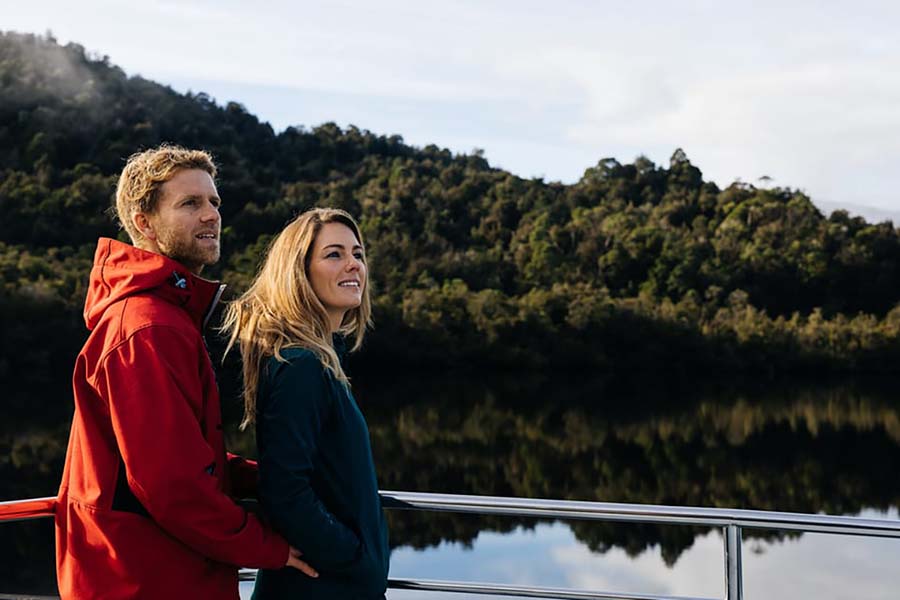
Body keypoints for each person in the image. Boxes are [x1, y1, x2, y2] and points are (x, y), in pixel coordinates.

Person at [55, 145, 316, 600]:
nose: (211, 215)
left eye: (213, 202)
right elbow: (172, 484)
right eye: (190, 204)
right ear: (144, 221)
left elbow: (188, 459)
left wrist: (274, 479)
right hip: (145, 581)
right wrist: (268, 548)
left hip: (156, 573)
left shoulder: (166, 316)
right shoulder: (147, 326)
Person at [222, 208, 390, 600]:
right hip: (320, 588)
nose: (353, 264)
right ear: (299, 272)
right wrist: (354, 558)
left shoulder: (324, 360)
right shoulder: (302, 366)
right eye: (334, 254)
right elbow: (285, 490)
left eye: (358, 254)